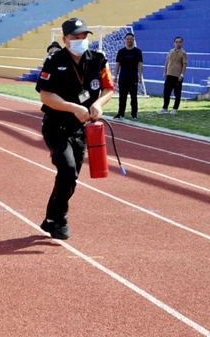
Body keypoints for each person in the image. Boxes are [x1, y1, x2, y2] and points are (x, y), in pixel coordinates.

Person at [35, 18, 114, 239]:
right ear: (65, 39)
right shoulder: (54, 60)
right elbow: (45, 95)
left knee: (71, 176)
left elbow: (108, 88)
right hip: (56, 125)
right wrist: (73, 108)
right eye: (75, 37)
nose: (80, 41)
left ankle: (52, 219)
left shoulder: (98, 59)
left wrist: (98, 104)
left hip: (81, 128)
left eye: (83, 37)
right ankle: (60, 219)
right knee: (67, 168)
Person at [113, 33, 143, 120]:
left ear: (133, 40)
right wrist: (115, 76)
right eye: (127, 39)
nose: (129, 40)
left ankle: (134, 114)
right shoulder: (121, 51)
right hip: (123, 78)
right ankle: (120, 113)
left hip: (133, 77)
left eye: (131, 39)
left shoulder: (137, 51)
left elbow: (140, 64)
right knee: (122, 97)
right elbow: (117, 64)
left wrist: (140, 75)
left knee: (134, 98)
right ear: (125, 40)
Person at [158, 36, 188, 115]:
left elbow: (184, 65)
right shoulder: (170, 51)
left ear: (182, 43)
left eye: (180, 42)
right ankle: (165, 108)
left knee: (177, 93)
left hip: (177, 76)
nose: (178, 43)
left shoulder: (183, 53)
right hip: (169, 75)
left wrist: (181, 75)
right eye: (176, 42)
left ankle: (175, 108)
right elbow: (167, 62)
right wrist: (165, 71)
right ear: (174, 43)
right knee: (166, 92)